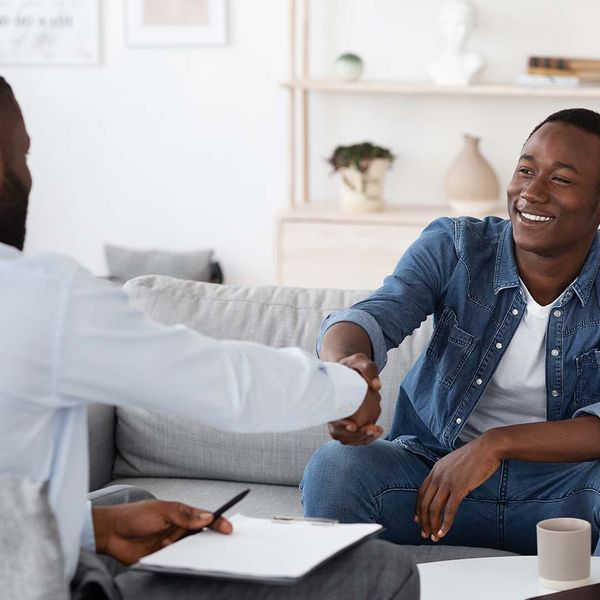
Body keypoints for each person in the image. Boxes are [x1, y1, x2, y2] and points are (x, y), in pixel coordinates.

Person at [0, 78, 419, 600]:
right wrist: (351, 388)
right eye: (21, 155)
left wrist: (98, 530)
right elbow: (228, 387)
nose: (26, 173)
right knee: (382, 571)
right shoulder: (36, 295)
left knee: (123, 500)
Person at [302, 107, 600, 556]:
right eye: (525, 170)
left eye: (561, 179)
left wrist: (496, 445)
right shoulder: (458, 246)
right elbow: (372, 317)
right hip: (433, 482)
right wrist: (347, 369)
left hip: (566, 493)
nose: (530, 193)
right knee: (337, 467)